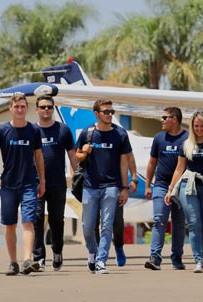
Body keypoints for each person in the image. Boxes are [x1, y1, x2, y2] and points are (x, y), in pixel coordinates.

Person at [0, 93, 45, 275]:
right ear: (10, 108)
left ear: (27, 109)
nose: (19, 110)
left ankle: (27, 260)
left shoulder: (34, 130)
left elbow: (39, 156)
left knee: (28, 222)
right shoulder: (2, 131)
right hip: (8, 185)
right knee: (10, 225)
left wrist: (42, 180)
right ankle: (13, 262)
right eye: (16, 106)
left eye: (23, 106)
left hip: (29, 184)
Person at [165, 111, 203, 273]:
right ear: (192, 127)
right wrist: (171, 189)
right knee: (194, 223)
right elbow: (179, 169)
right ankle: (198, 260)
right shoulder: (186, 144)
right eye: (196, 126)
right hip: (189, 185)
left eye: (202, 126)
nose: (199, 129)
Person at [76, 99, 131, 274]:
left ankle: (101, 261)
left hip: (111, 186)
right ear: (96, 113)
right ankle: (93, 252)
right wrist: (84, 151)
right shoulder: (87, 132)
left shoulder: (120, 134)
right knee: (87, 226)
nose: (109, 114)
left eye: (111, 111)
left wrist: (124, 188)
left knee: (107, 225)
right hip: (90, 186)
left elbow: (124, 162)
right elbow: (77, 156)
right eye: (106, 111)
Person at [32, 96, 77, 272]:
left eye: (49, 107)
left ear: (53, 109)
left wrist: (77, 176)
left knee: (57, 220)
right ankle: (39, 258)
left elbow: (73, 155)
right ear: (36, 109)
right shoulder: (32, 130)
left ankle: (57, 251)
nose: (46, 110)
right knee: (36, 219)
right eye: (42, 107)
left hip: (58, 183)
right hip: (35, 184)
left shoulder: (63, 130)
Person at [144, 107, 188, 270]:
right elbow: (152, 163)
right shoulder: (159, 138)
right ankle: (155, 257)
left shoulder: (188, 139)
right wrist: (148, 185)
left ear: (175, 119)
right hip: (161, 185)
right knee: (159, 220)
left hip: (181, 187)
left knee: (179, 222)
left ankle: (177, 257)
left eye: (165, 117)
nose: (162, 120)